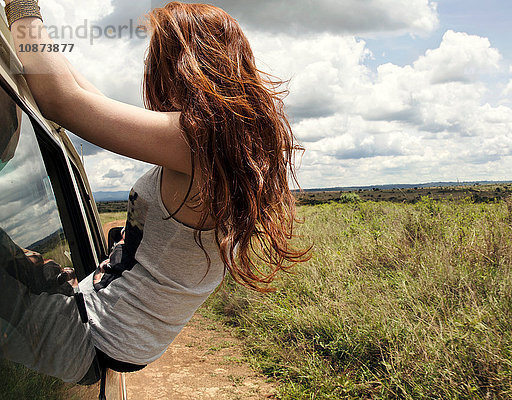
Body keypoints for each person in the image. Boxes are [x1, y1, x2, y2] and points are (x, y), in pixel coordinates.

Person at [2, 0, 309, 388]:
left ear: (180, 61)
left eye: (156, 54)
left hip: (93, 336)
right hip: (112, 334)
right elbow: (83, 94)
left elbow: (61, 101)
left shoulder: (197, 141)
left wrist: (21, 8)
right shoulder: (225, 143)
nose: (150, 67)